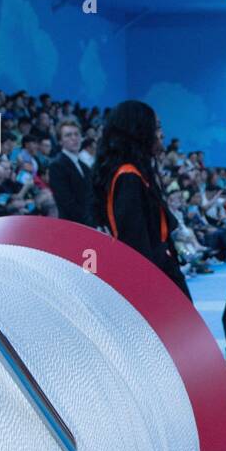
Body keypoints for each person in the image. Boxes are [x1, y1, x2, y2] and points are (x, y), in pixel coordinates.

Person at [92, 100, 191, 301]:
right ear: (140, 131)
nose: (161, 134)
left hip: (161, 271)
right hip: (154, 282)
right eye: (157, 127)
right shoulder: (128, 177)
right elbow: (136, 246)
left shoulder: (136, 174)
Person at [47, 118, 95, 226]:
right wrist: (90, 223)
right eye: (68, 135)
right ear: (60, 141)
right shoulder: (57, 165)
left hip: (88, 223)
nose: (74, 138)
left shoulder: (84, 166)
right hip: (72, 226)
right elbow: (67, 202)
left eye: (77, 134)